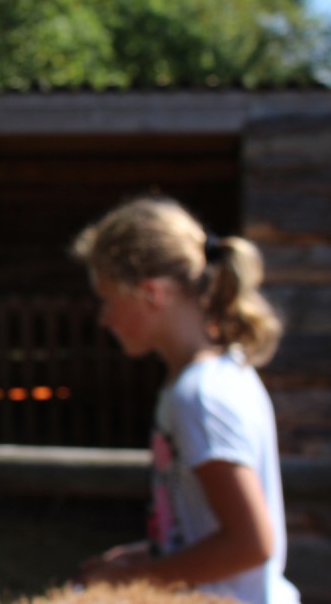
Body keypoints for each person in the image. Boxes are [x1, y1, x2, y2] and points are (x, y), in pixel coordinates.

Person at [72, 197, 299, 603]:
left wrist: (135, 577)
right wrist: (148, 555)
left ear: (150, 294)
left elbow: (250, 545)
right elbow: (208, 530)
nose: (103, 318)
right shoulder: (210, 377)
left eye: (107, 300)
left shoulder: (201, 397)